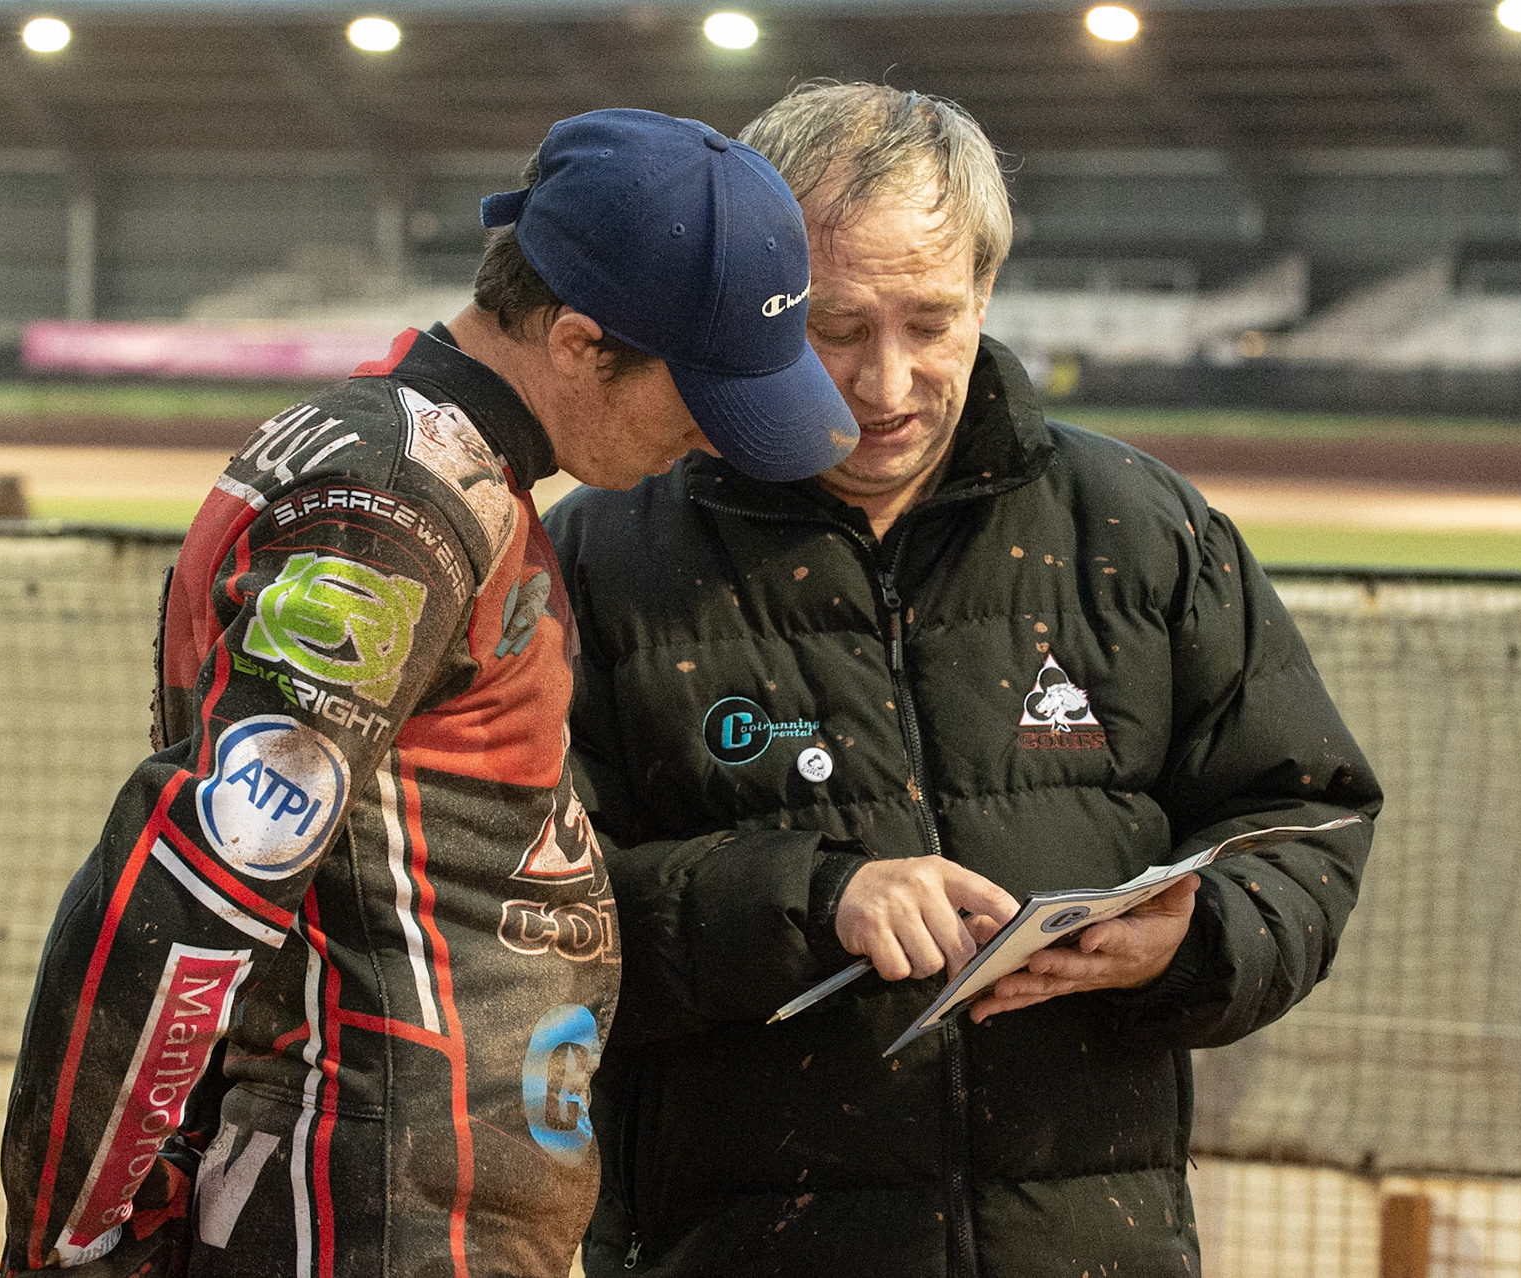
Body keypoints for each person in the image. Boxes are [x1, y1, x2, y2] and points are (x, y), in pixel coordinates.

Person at [0, 107, 857, 1278]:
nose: (712, 437)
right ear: (575, 341)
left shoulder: (444, 471)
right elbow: (190, 902)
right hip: (368, 1212)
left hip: (421, 1201)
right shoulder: (393, 504)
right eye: (697, 391)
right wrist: (75, 1239)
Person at [546, 83, 1383, 1277]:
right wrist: (806, 899)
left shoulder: (1142, 531)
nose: (886, 385)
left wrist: (1194, 943)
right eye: (835, 329)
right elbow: (519, 914)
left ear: (987, 291)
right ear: (761, 300)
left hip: (1093, 1244)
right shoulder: (608, 551)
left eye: (930, 322)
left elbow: (1309, 814)